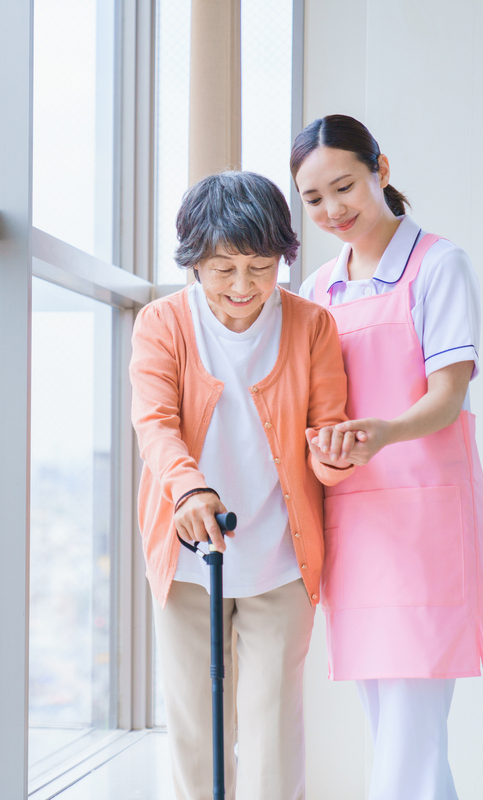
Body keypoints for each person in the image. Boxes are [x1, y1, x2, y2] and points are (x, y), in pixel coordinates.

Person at [293, 114, 483, 800]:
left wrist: (381, 433)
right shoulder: (319, 288)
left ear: (381, 168)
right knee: (396, 733)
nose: (333, 210)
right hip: (354, 524)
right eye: (314, 198)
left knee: (411, 734)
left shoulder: (439, 264)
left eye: (345, 186)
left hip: (424, 524)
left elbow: (448, 396)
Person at [130, 170, 355, 800]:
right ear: (194, 262)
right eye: (222, 268)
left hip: (281, 560)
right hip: (188, 557)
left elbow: (327, 433)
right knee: (197, 736)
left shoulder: (312, 326)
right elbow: (154, 424)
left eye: (260, 267)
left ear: (282, 258)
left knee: (272, 738)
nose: (241, 286)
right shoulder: (161, 324)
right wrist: (188, 489)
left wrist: (337, 454)